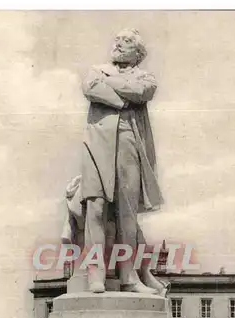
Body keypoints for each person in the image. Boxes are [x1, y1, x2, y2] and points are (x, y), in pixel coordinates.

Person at [80, 28, 164, 293]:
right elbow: (90, 88)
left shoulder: (145, 76)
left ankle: (129, 277)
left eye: (126, 42)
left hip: (129, 141)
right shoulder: (97, 69)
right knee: (95, 206)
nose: (118, 44)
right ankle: (96, 274)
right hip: (97, 141)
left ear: (138, 54)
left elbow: (143, 91)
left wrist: (110, 84)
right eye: (117, 39)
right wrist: (123, 99)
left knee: (127, 213)